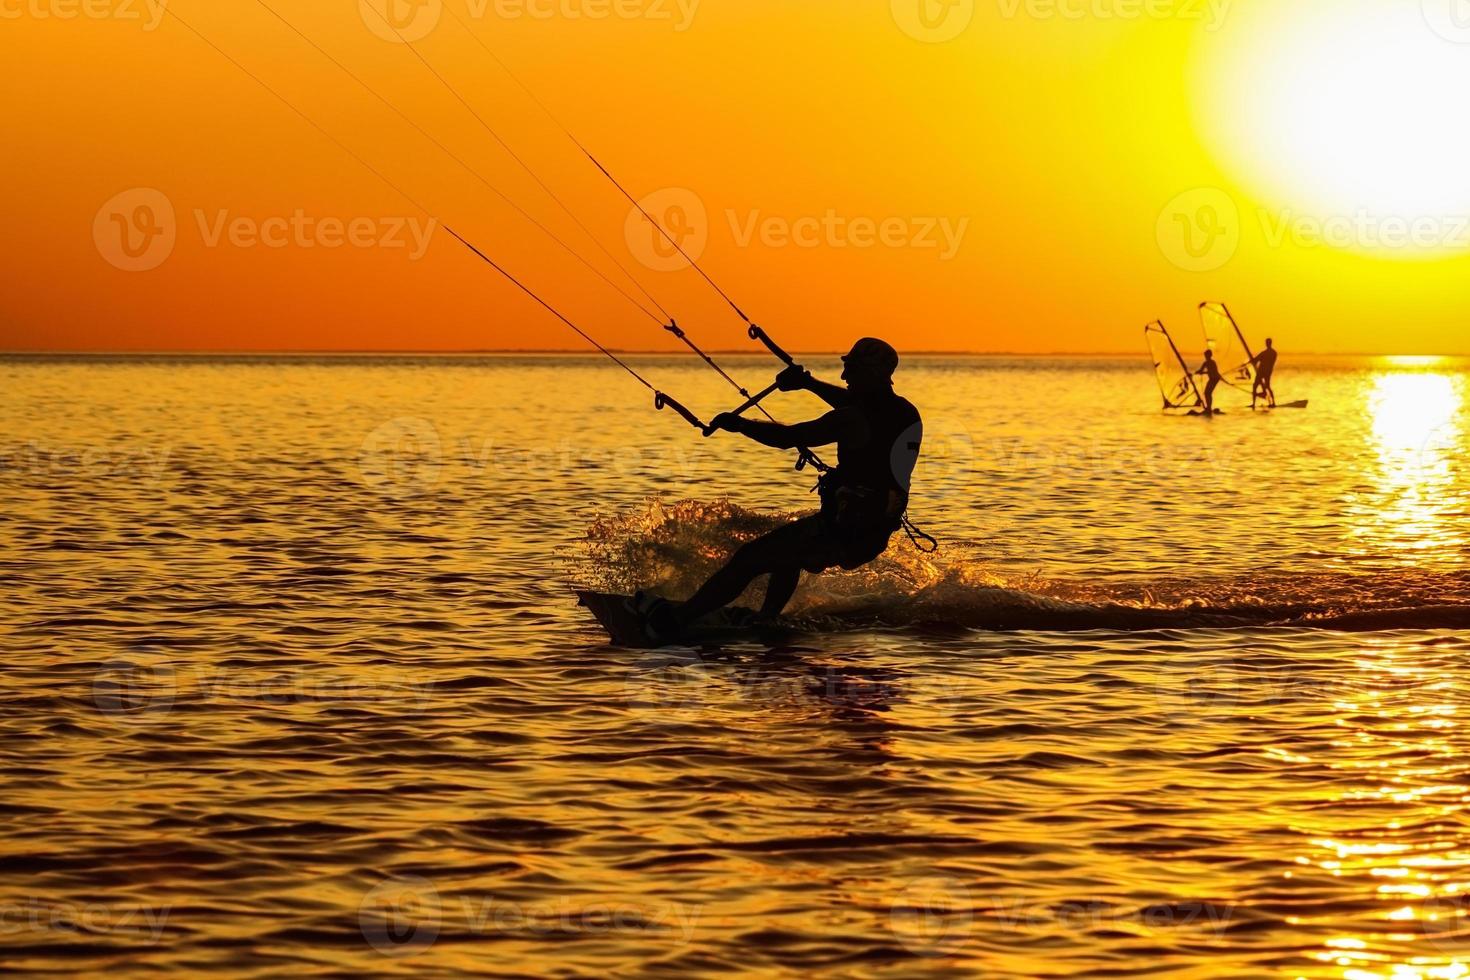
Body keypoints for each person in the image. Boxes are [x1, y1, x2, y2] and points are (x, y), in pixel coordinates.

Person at [638, 338, 922, 642]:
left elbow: (788, 437)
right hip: (871, 531)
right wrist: (808, 384)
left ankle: (672, 623)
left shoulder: (852, 418)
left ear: (871, 374)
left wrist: (741, 425)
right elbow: (862, 404)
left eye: (849, 370)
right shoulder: (905, 412)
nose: (843, 377)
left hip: (845, 530)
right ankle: (766, 620)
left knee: (750, 558)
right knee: (787, 554)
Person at [1249, 338, 1278, 408]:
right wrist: (1253, 360)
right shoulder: (1274, 353)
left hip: (1262, 372)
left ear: (1268, 343)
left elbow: (1256, 360)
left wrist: (1252, 360)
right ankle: (1273, 403)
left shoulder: (1265, 353)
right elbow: (1256, 359)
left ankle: (1254, 404)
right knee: (1265, 386)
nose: (1266, 344)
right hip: (1267, 372)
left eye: (1267, 343)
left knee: (1256, 386)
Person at [1195, 349, 1222, 415]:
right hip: (1212, 379)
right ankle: (1209, 407)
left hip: (1215, 378)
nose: (1206, 356)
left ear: (1210, 355)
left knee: (1208, 393)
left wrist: (1203, 372)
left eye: (1207, 355)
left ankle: (1209, 408)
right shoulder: (1205, 363)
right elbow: (1201, 370)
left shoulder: (1213, 362)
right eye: (1205, 355)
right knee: (1207, 393)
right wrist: (1198, 372)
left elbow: (1213, 371)